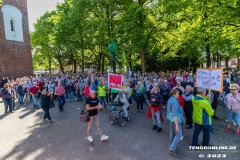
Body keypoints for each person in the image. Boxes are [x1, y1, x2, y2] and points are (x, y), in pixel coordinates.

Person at [167, 89, 183, 158]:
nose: (178, 94)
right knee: (179, 135)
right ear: (173, 94)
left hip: (171, 119)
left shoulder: (170, 99)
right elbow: (175, 114)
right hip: (175, 120)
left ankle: (171, 146)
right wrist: (177, 125)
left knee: (172, 133)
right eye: (177, 94)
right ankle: (172, 148)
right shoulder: (175, 102)